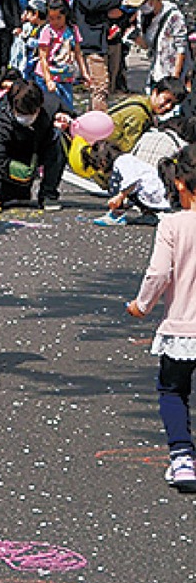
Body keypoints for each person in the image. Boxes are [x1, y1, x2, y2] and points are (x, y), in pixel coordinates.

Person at [127, 146, 196, 493]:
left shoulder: (172, 224)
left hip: (183, 328)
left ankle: (182, 457)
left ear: (180, 183)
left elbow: (158, 274)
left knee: (173, 390)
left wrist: (142, 305)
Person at [0, 77, 68, 213]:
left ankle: (48, 193)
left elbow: (77, 123)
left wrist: (66, 122)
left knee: (59, 138)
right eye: (21, 113)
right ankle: (13, 184)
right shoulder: (4, 121)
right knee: (12, 198)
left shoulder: (52, 105)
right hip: (13, 154)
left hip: (40, 147)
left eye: (32, 113)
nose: (27, 118)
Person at [72, 0, 124, 112]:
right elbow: (90, 4)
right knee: (99, 86)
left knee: (109, 86)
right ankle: (98, 128)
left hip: (112, 37)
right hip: (92, 39)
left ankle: (93, 118)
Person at [87, 139, 171, 229]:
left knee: (117, 185)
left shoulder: (121, 162)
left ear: (103, 161)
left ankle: (116, 215)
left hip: (151, 192)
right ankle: (148, 214)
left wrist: (119, 197)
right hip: (154, 189)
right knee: (119, 185)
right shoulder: (126, 158)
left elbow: (131, 181)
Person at [129, 0, 191, 89]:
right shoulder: (143, 16)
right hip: (155, 73)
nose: (142, 7)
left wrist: (174, 81)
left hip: (171, 74)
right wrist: (133, 36)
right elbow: (147, 46)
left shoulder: (174, 16)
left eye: (144, 2)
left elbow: (181, 49)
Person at [36, 0, 82, 110]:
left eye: (59, 18)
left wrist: (84, 73)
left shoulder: (72, 30)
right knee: (50, 108)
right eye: (51, 18)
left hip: (66, 76)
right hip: (48, 75)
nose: (55, 22)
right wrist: (48, 80)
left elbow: (78, 53)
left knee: (67, 107)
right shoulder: (47, 31)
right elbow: (43, 57)